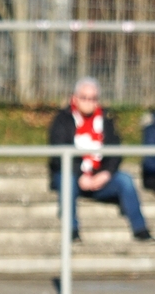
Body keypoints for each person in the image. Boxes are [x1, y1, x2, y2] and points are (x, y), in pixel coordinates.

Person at [48, 77, 152, 242]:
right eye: (84, 98)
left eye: (93, 98)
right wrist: (80, 174)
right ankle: (72, 231)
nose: (89, 102)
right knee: (66, 180)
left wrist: (105, 174)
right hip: (73, 175)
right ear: (75, 98)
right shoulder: (62, 120)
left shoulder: (106, 119)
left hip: (99, 175)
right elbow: (58, 154)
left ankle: (140, 230)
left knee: (125, 180)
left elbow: (115, 152)